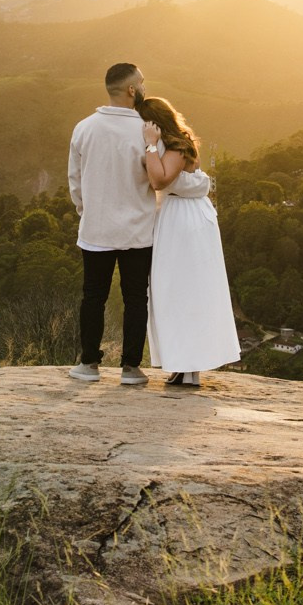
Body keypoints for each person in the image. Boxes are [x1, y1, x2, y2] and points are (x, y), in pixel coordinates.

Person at [136, 95, 241, 388]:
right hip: (187, 216)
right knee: (184, 289)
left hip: (182, 221)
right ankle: (186, 366)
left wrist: (149, 145)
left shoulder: (176, 146)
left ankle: (187, 365)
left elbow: (159, 180)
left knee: (178, 289)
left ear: (154, 123)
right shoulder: (180, 142)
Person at [67, 62, 158, 385]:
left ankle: (89, 364)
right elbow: (157, 176)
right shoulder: (147, 130)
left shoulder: (84, 128)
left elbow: (75, 180)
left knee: (93, 297)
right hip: (138, 229)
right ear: (132, 89)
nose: (145, 87)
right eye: (142, 82)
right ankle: (131, 368)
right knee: (136, 298)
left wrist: (87, 210)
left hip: (96, 229)